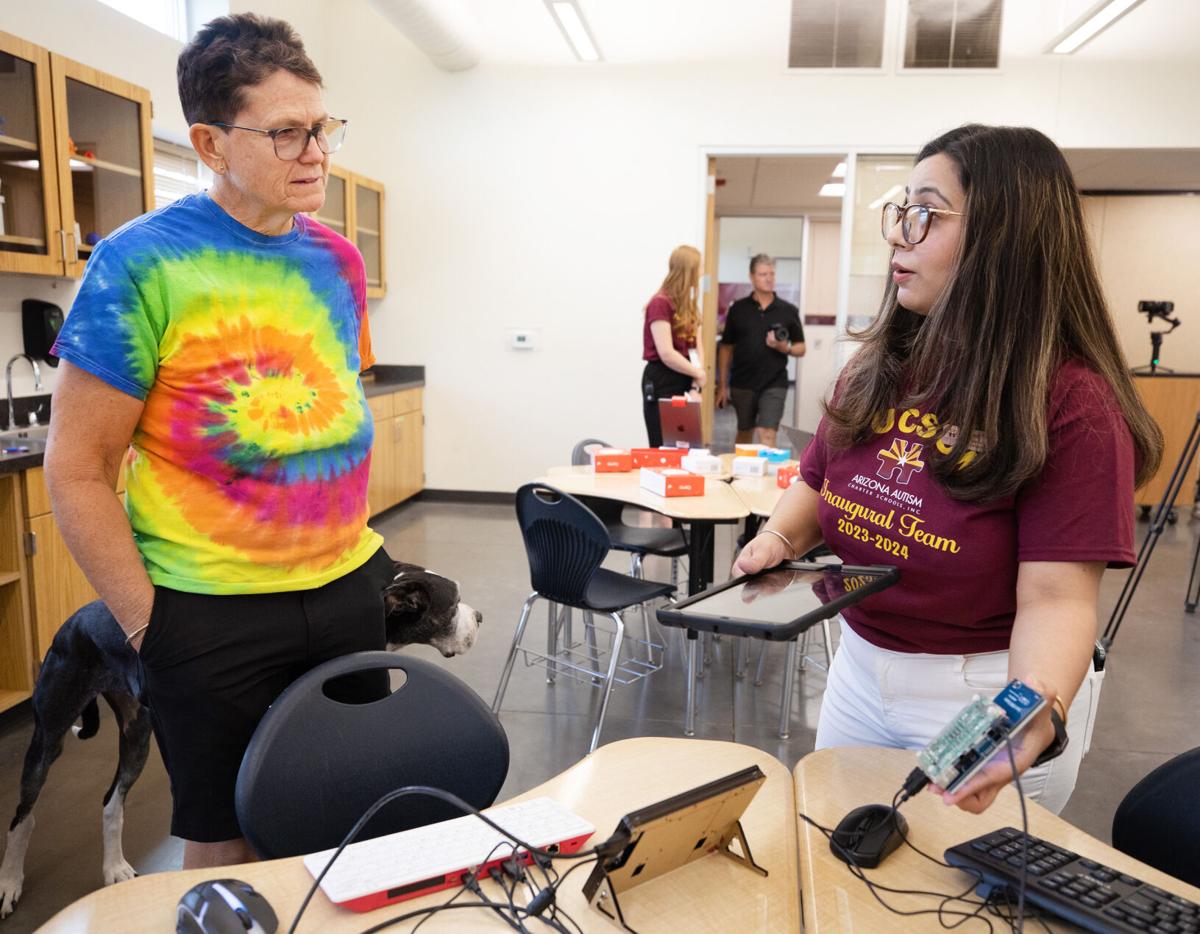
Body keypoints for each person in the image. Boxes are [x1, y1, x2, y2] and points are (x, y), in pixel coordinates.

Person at [44, 13, 396, 868]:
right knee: (226, 838)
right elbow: (79, 468)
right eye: (286, 132)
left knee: (347, 822)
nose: (316, 151)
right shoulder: (139, 264)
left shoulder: (338, 262)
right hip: (208, 614)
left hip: (347, 587)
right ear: (209, 142)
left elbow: (333, 408)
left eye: (322, 128)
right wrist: (146, 625)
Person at [734, 125, 1162, 815]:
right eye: (902, 212)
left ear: (1003, 236)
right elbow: (816, 482)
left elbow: (1057, 602)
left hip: (981, 692)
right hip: (859, 668)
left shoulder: (1071, 404)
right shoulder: (878, 366)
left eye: (926, 214)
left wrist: (1025, 713)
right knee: (842, 868)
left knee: (952, 907)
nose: (900, 234)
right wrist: (781, 540)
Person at [716, 254, 805, 448]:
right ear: (752, 277)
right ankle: (743, 476)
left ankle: (767, 478)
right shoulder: (738, 309)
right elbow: (726, 348)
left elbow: (801, 347)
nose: (769, 278)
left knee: (767, 434)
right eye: (763, 274)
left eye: (772, 273)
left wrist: (785, 347)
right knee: (744, 434)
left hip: (774, 382)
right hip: (743, 383)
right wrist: (723, 386)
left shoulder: (788, 310)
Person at [641, 245, 706, 447]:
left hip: (686, 378)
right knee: (664, 444)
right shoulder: (660, 303)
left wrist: (696, 383)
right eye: (700, 268)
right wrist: (697, 373)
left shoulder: (689, 305)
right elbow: (666, 353)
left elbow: (697, 346)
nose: (703, 273)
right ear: (689, 271)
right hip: (662, 380)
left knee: (687, 444)